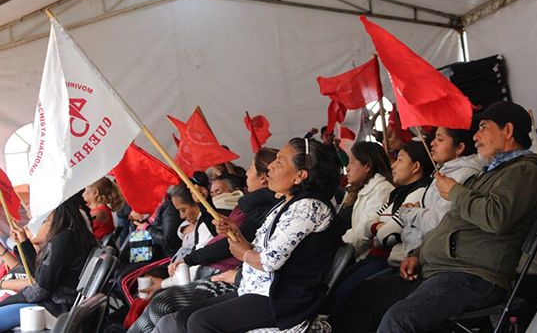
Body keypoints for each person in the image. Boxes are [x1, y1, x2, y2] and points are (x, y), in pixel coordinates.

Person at [330, 101, 537, 333]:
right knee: (366, 294)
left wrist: (456, 192)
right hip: (441, 270)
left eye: (484, 127)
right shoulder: (491, 172)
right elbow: (453, 222)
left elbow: (497, 217)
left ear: (507, 131)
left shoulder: (526, 171)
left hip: (473, 276)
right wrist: (419, 254)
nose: (476, 136)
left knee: (399, 320)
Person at [152, 138, 342, 332]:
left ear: (299, 175)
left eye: (280, 162)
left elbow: (269, 261)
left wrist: (243, 252)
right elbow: (261, 249)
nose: (271, 167)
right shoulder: (287, 203)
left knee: (201, 323)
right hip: (257, 288)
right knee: (184, 317)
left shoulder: (308, 206)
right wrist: (236, 233)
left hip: (281, 298)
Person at [127, 148, 280, 333]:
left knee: (166, 305)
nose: (247, 172)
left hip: (228, 274)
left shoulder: (258, 208)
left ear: (264, 177)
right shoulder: (248, 207)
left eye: (250, 168)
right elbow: (216, 229)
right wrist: (203, 203)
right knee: (165, 310)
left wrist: (190, 259)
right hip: (225, 273)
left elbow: (226, 245)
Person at [332, 140, 434, 310]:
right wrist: (376, 227)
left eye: (400, 160)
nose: (393, 164)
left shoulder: (416, 192)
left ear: (416, 167)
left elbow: (386, 235)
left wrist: (377, 228)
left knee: (352, 295)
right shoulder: (397, 192)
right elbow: (374, 224)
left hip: (390, 259)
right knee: (339, 289)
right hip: (376, 255)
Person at [377, 126, 481, 266]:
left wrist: (410, 213)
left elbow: (436, 223)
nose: (433, 143)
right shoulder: (443, 173)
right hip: (417, 255)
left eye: (440, 139)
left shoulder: (458, 177)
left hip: (431, 260)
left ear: (459, 148)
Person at [0, 194, 97, 331]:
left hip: (55, 309)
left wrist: (6, 302)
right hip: (58, 306)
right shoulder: (71, 233)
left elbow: (40, 290)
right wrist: (23, 243)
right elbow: (39, 276)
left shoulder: (64, 239)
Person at [341, 141, 395, 261]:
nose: (347, 168)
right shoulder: (354, 189)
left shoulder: (382, 189)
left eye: (352, 162)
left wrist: (337, 246)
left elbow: (363, 233)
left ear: (367, 166)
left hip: (367, 257)